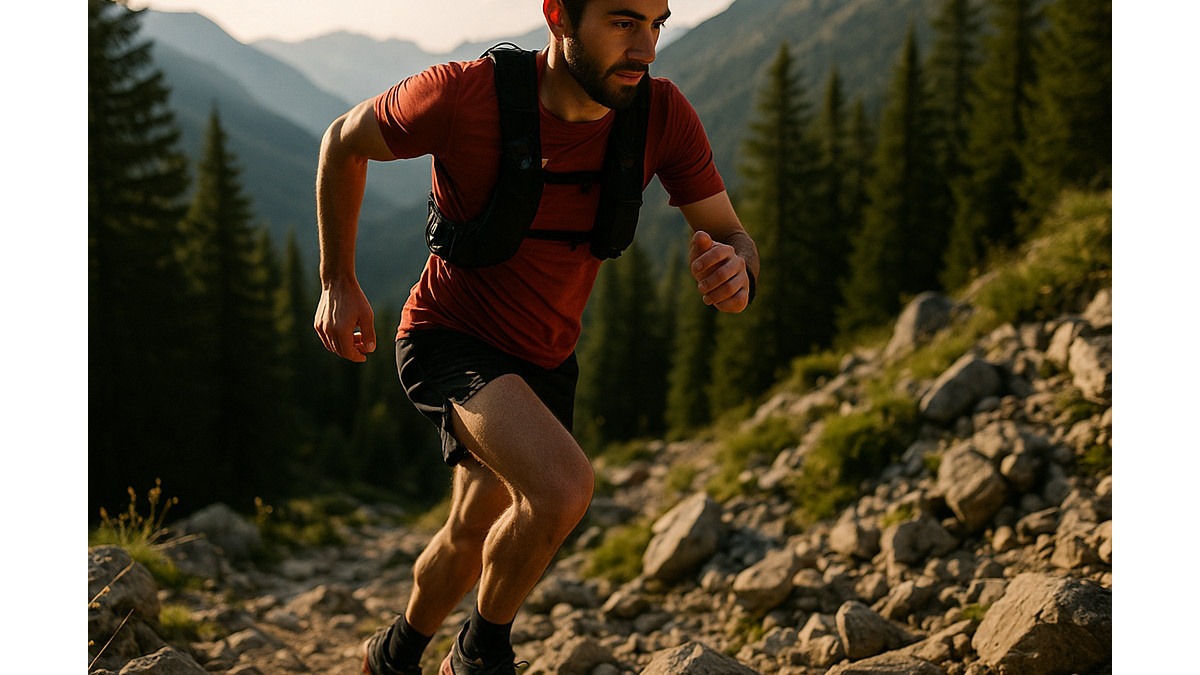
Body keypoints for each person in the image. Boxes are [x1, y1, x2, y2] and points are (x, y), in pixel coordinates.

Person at [313, 1, 760, 673]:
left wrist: (737, 271)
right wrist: (337, 280)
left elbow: (734, 234)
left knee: (470, 531)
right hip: (448, 335)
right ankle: (481, 654)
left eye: (656, 23)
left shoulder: (659, 116)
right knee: (560, 486)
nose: (646, 47)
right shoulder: (463, 95)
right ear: (559, 14)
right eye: (622, 21)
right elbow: (342, 141)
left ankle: (395, 653)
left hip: (544, 357)